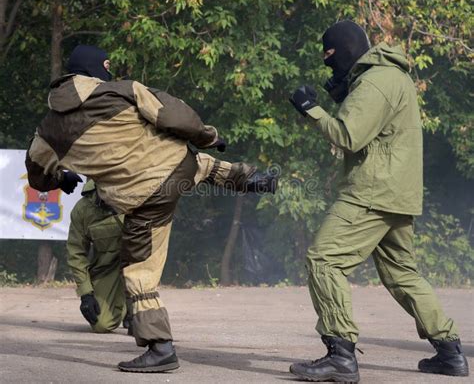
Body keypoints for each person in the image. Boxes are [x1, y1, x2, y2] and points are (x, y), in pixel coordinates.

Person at [26, 45, 277, 373]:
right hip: (176, 167)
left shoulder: (48, 130)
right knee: (196, 163)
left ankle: (160, 348)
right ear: (97, 72)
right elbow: (174, 115)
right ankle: (251, 178)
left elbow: (37, 175)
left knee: (138, 271)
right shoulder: (124, 89)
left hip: (143, 198)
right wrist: (207, 135)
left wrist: (60, 178)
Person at [288, 20, 469, 382]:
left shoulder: (374, 81)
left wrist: (311, 108)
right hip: (397, 192)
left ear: (347, 48)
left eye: (330, 56)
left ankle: (340, 355)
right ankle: (449, 352)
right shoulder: (389, 76)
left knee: (324, 260)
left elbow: (349, 136)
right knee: (403, 274)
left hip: (371, 191)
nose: (328, 65)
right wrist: (345, 95)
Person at [67, 179, 131, 334]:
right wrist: (86, 294)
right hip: (107, 268)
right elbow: (76, 253)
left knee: (145, 325)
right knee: (101, 324)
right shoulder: (82, 210)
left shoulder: (136, 197)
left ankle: (135, 307)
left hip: (137, 263)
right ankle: (124, 307)